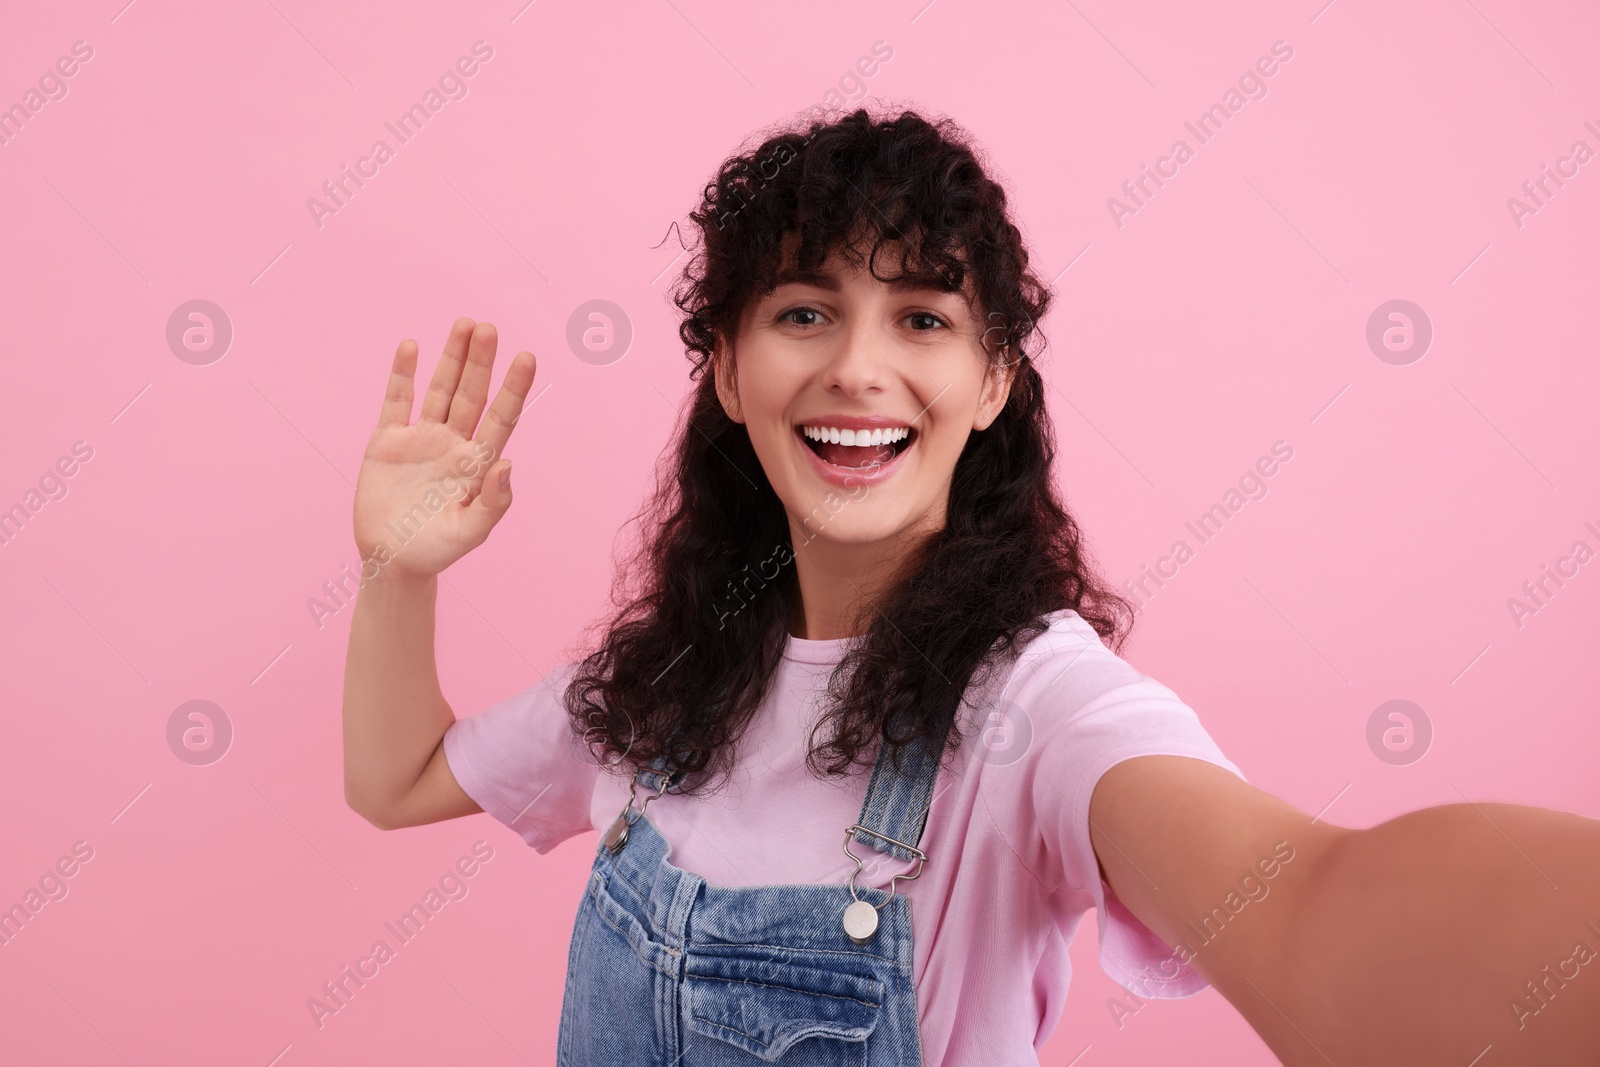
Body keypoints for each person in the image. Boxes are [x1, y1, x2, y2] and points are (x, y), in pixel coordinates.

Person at [341, 107, 1600, 1065]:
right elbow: (396, 779)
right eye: (802, 312)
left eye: (923, 318)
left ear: (994, 379)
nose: (857, 367)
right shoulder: (669, 680)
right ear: (726, 371)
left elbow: (1311, 903)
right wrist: (396, 570)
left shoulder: (1038, 710)